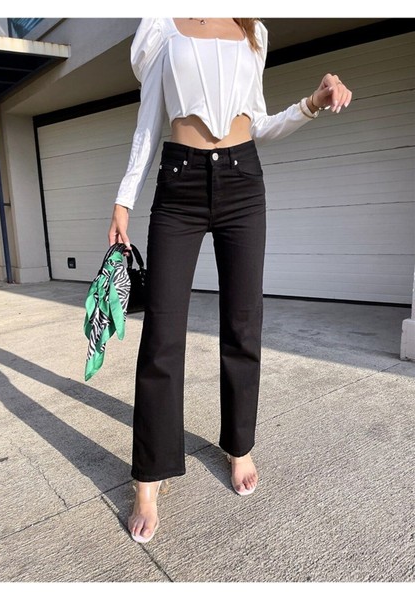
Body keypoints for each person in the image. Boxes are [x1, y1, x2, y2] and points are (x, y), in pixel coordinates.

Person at [108, 17, 352, 544]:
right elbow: (148, 123)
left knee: (243, 324)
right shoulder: (162, 24)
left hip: (243, 182)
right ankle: (149, 475)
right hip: (179, 184)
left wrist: (311, 103)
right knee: (162, 334)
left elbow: (259, 123)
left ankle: (239, 445)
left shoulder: (251, 29)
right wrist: (124, 199)